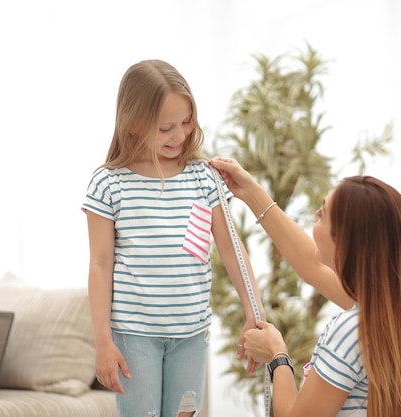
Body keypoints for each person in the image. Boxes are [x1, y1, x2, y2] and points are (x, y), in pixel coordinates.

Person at [81, 60, 265, 417]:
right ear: (133, 124)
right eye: (165, 128)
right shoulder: (108, 184)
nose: (179, 135)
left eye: (186, 122)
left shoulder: (203, 177)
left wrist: (253, 312)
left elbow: (231, 248)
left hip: (192, 333)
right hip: (134, 335)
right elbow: (100, 265)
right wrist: (103, 341)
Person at [208, 156, 401, 417]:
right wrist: (251, 192)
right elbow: (312, 267)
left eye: (323, 214)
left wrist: (277, 356)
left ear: (345, 242)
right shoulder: (400, 313)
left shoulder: (350, 331)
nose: (315, 215)